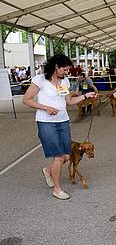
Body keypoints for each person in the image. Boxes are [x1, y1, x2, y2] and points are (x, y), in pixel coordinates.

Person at [23, 55, 97, 200]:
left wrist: (86, 95)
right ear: (56, 66)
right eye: (64, 68)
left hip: (63, 121)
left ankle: (48, 170)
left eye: (68, 69)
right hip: (46, 123)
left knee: (66, 156)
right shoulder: (40, 80)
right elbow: (26, 99)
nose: (67, 71)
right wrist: (45, 108)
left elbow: (69, 101)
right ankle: (57, 189)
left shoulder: (65, 81)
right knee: (58, 157)